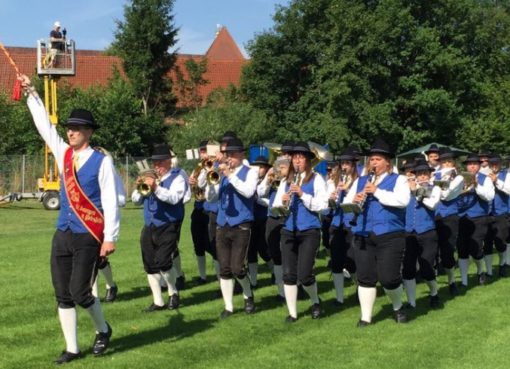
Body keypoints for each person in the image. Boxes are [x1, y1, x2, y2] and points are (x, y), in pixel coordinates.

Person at [19, 74, 118, 363]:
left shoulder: (102, 161)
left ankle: (102, 329)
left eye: (76, 129)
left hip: (88, 234)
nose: (71, 132)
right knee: (62, 293)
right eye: (70, 129)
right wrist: (31, 95)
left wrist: (110, 236)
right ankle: (72, 348)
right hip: (62, 230)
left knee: (80, 292)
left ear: (88, 132)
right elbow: (45, 128)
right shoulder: (63, 154)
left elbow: (110, 200)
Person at [343, 138, 410, 326]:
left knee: (389, 278)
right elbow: (346, 205)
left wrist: (377, 192)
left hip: (390, 234)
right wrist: (355, 200)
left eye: (378, 159)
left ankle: (397, 306)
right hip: (363, 233)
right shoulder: (361, 181)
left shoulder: (400, 180)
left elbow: (402, 201)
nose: (373, 163)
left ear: (388, 162)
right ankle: (366, 317)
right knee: (365, 277)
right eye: (371, 159)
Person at [272, 142, 328, 322]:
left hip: (309, 230)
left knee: (305, 275)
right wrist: (282, 201)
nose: (297, 161)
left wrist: (303, 194)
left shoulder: (316, 179)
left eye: (301, 158)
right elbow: (275, 208)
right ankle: (292, 313)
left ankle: (315, 301)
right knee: (288, 274)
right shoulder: (285, 181)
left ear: (308, 161)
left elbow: (322, 205)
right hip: (289, 229)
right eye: (295, 158)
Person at [132, 143, 189, 312]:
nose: (157, 167)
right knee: (150, 264)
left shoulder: (178, 177)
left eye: (161, 163)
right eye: (155, 163)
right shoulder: (150, 177)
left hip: (168, 224)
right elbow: (135, 200)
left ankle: (173, 292)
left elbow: (174, 198)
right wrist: (139, 187)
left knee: (164, 261)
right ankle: (158, 301)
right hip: (149, 225)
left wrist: (156, 187)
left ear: (169, 162)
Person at [205, 137, 258, 318]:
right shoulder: (222, 173)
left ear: (242, 155)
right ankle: (229, 306)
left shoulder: (251, 172)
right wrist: (209, 180)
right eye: (228, 154)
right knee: (224, 269)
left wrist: (230, 175)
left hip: (241, 224)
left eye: (233, 155)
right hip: (222, 223)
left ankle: (248, 293)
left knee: (237, 268)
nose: (229, 158)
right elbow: (211, 198)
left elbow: (248, 192)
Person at [403, 160, 441, 308]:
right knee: (408, 268)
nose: (422, 176)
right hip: (409, 233)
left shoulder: (435, 189)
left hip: (427, 232)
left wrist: (416, 191)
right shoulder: (406, 188)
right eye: (419, 173)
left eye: (425, 173)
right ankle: (411, 302)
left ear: (430, 174)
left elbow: (432, 205)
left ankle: (434, 293)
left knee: (427, 268)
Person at [327, 147, 359, 306]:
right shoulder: (337, 180)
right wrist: (332, 197)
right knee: (336, 262)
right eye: (342, 163)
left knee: (352, 261)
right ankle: (339, 298)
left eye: (347, 163)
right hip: (336, 223)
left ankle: (360, 289)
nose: (344, 166)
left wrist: (347, 192)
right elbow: (330, 206)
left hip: (352, 224)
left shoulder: (360, 180)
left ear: (354, 164)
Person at [457, 153, 495, 287]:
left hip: (478, 217)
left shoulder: (486, 179)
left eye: (474, 164)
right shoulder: (459, 179)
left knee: (476, 248)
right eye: (469, 164)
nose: (472, 166)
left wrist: (477, 185)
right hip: (461, 217)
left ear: (479, 166)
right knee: (462, 249)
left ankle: (480, 271)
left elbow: (489, 197)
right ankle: (464, 281)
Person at [258, 155, 291, 302]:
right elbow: (260, 192)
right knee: (275, 253)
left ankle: (296, 285)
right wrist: (268, 177)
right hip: (273, 216)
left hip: (288, 216)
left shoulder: (294, 177)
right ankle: (281, 291)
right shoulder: (273, 175)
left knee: (290, 253)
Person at [433, 147, 464, 295]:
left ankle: (451, 281)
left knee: (447, 251)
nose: (446, 164)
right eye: (443, 161)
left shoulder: (458, 178)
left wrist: (436, 185)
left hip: (449, 217)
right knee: (431, 251)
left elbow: (445, 195)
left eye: (448, 161)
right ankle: (433, 288)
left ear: (453, 162)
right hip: (432, 216)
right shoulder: (434, 175)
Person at [188, 140, 218, 284]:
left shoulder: (213, 167)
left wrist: (207, 170)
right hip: (198, 207)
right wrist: (191, 183)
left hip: (210, 208)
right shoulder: (198, 167)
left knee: (211, 244)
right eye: (201, 151)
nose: (203, 154)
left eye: (205, 151)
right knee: (198, 244)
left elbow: (202, 184)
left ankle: (223, 273)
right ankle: (202, 276)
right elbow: (195, 187)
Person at [247, 155, 273, 287]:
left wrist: (257, 199)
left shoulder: (270, 180)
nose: (258, 169)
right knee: (250, 250)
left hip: (263, 218)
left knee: (264, 249)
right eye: (256, 166)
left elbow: (273, 202)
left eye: (261, 167)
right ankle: (253, 281)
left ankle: (275, 270)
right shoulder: (251, 180)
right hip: (251, 218)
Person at [484, 154, 510, 277]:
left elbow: (509, 190)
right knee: (487, 243)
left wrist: (496, 181)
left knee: (500, 242)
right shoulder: (484, 175)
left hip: (501, 212)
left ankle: (502, 264)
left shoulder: (507, 175)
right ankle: (489, 271)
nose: (494, 166)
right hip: (486, 213)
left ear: (500, 164)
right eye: (491, 164)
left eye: (496, 164)